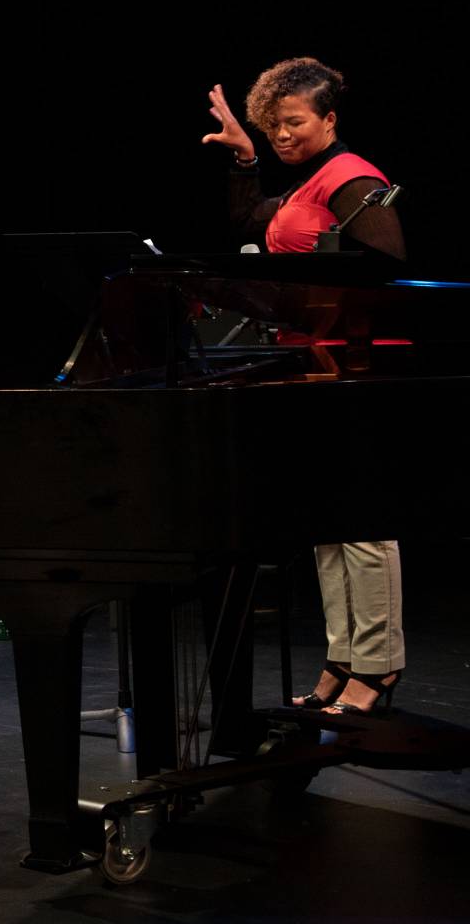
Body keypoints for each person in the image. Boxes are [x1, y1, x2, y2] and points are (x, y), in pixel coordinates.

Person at [203, 57, 405, 715]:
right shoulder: (305, 186)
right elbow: (250, 227)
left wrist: (305, 299)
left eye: (293, 122)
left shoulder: (352, 177)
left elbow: (384, 270)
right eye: (273, 126)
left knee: (364, 524)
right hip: (312, 363)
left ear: (329, 118)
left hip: (355, 366)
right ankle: (343, 657)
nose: (282, 135)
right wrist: (244, 159)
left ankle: (378, 665)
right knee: (328, 522)